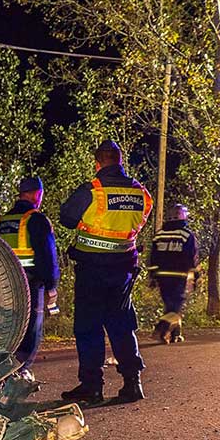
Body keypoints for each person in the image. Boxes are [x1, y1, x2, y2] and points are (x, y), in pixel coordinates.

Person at [59, 140, 153, 404]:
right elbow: (140, 220)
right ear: (120, 161)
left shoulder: (93, 190)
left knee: (89, 327)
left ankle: (92, 387)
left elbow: (66, 218)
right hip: (124, 269)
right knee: (122, 324)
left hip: (92, 268)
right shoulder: (141, 193)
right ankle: (132, 384)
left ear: (98, 163)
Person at [0, 176, 59, 381]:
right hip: (31, 283)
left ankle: (3, 368)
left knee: (9, 326)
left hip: (4, 282)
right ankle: (21, 369)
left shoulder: (3, 221)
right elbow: (47, 255)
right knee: (31, 328)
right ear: (36, 194)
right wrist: (51, 284)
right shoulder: (36, 219)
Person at [146, 204, 199, 343]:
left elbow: (153, 256)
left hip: (162, 275)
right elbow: (191, 256)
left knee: (170, 304)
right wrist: (194, 275)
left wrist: (152, 275)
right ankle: (160, 328)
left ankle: (174, 334)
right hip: (178, 275)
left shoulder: (159, 234)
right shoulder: (186, 234)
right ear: (182, 216)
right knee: (175, 306)